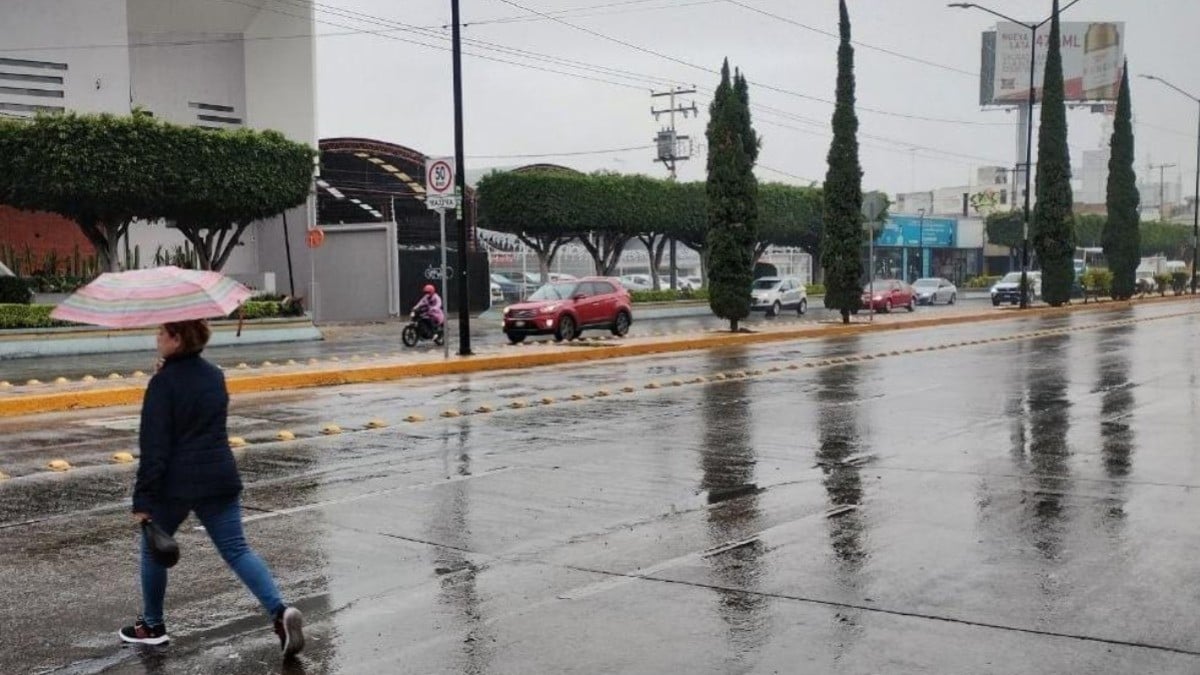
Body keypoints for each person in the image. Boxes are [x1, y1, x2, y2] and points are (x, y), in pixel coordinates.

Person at [118, 319, 305, 658]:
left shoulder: (163, 384)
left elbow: (155, 447)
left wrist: (143, 500)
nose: (156, 337)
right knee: (237, 549)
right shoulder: (214, 375)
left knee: (152, 551)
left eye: (162, 332)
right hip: (219, 475)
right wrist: (167, 374)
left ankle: (153, 626)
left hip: (176, 483)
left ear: (176, 339)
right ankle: (280, 614)